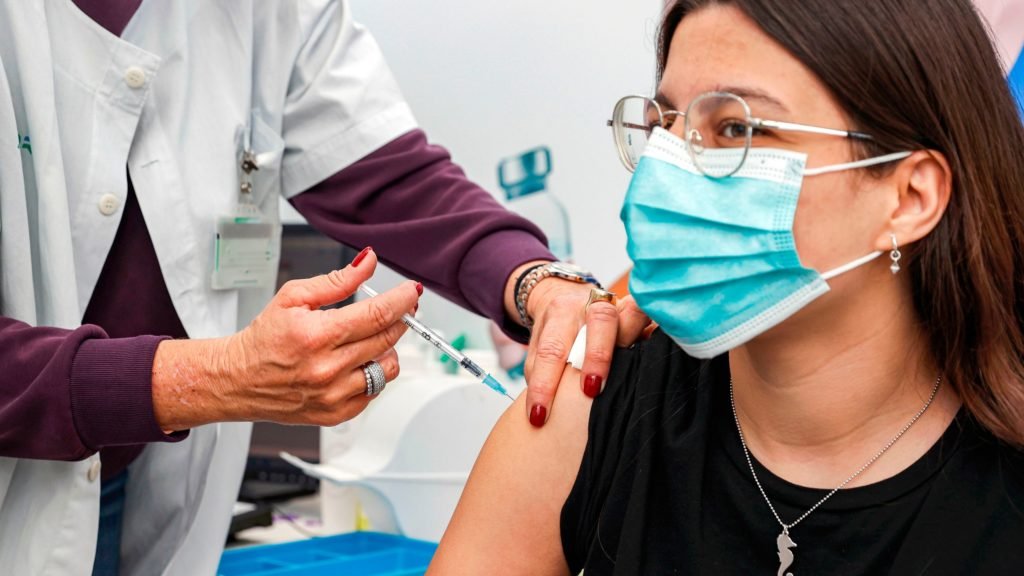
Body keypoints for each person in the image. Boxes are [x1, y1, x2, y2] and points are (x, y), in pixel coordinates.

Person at [0, 1, 649, 574]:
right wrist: (209, 377)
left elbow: (389, 177)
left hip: (133, 477)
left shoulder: (272, 12)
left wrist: (530, 277)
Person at [430, 0, 1024, 574]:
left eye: (737, 127)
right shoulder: (586, 412)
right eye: (666, 126)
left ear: (909, 197)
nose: (669, 172)